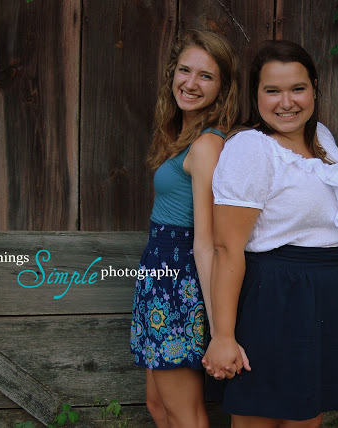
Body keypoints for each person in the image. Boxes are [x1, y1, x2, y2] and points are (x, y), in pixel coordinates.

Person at [202, 40, 338, 428]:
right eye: (272, 91)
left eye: (297, 88)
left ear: (315, 89)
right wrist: (223, 336)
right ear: (256, 95)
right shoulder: (251, 148)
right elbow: (226, 248)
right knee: (260, 419)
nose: (286, 102)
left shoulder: (321, 137)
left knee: (307, 421)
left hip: (325, 299)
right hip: (276, 298)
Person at [129, 29, 243, 428]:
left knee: (185, 414)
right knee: (159, 406)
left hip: (179, 285)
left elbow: (206, 243)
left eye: (205, 76)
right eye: (184, 70)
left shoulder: (207, 145)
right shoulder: (184, 136)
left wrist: (220, 331)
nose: (191, 83)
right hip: (160, 277)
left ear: (223, 88)